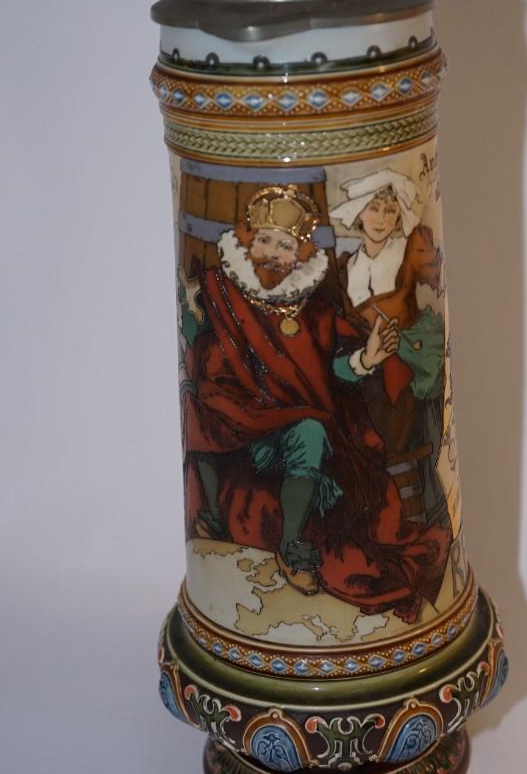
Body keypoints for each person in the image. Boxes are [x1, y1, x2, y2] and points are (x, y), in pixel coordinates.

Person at [179, 185, 448, 621]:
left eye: (284, 245)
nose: (272, 253)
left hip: (290, 435)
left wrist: (365, 360)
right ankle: (213, 514)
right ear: (247, 244)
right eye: (265, 240)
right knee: (207, 409)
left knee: (310, 431)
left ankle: (292, 547)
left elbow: (330, 373)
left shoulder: (313, 312)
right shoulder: (223, 296)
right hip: (240, 433)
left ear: (298, 255)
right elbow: (208, 371)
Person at [330, 169, 450, 525]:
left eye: (390, 210)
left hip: (406, 366)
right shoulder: (344, 268)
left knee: (390, 418)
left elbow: (435, 273)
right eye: (374, 208)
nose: (381, 218)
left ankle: (411, 519)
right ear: (359, 213)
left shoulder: (407, 250)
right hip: (364, 367)